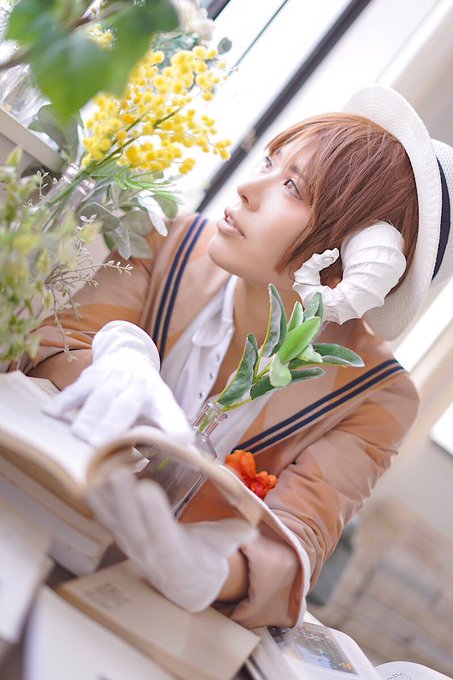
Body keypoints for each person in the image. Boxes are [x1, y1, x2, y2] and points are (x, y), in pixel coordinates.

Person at [26, 85, 453, 628]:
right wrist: (113, 357)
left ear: (358, 257)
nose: (249, 188)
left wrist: (204, 569)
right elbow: (51, 348)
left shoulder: (376, 397)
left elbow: (297, 540)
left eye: (293, 187)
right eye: (270, 163)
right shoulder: (166, 239)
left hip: (147, 614)